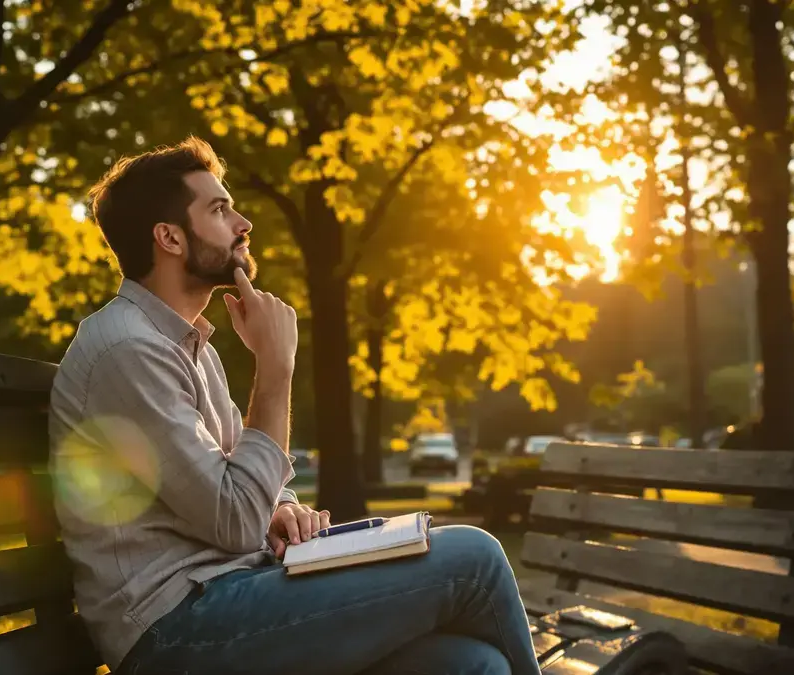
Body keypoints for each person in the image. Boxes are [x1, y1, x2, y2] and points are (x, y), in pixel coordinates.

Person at [49, 137, 542, 675]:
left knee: (473, 664)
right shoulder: (129, 349)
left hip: (234, 592)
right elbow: (235, 518)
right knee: (475, 559)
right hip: (174, 631)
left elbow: (244, 486)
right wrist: (276, 367)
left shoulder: (188, 347)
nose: (243, 223)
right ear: (168, 237)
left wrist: (281, 508)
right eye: (218, 209)